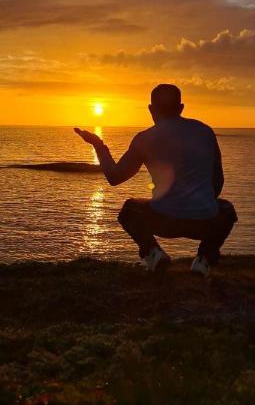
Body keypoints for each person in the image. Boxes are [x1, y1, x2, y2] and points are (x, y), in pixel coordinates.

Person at [75, 84, 237, 276]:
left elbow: (115, 177)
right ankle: (204, 260)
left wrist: (98, 145)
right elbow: (217, 182)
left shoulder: (145, 138)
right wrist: (198, 202)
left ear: (151, 109)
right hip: (204, 222)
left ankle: (154, 254)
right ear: (181, 108)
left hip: (163, 220)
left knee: (129, 210)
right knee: (226, 210)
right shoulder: (205, 132)